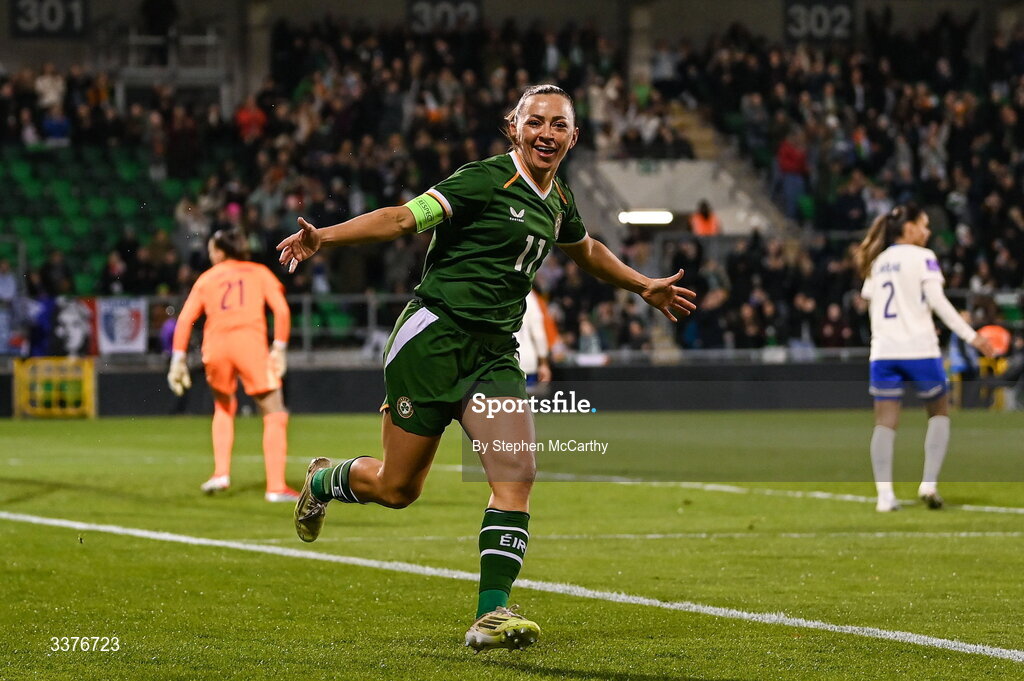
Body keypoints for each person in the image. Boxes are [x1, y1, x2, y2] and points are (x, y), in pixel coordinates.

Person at [277, 84, 696, 652]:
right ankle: (325, 478)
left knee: (516, 474)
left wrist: (643, 284)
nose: (546, 133)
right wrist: (324, 236)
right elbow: (404, 219)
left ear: (574, 137)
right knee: (399, 489)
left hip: (495, 353)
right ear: (514, 127)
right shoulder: (481, 179)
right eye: (536, 122)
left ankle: (491, 613)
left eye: (559, 125)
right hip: (432, 341)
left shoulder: (559, 200)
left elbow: (587, 248)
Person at [855, 205, 994, 512]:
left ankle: (884, 496)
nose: (928, 232)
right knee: (939, 412)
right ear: (909, 228)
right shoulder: (924, 258)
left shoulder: (878, 260)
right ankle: (928, 484)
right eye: (924, 225)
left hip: (884, 351)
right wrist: (972, 336)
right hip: (919, 349)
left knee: (885, 423)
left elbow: (868, 301)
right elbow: (938, 302)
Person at [167, 229, 298, 503]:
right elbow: (282, 310)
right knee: (274, 411)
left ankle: (221, 473)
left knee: (223, 407)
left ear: (219, 251)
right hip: (249, 343)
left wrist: (177, 358)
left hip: (215, 346)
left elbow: (185, 319)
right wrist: (280, 347)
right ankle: (275, 486)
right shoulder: (258, 272)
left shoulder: (207, 278)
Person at [514, 287, 551, 391]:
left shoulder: (493, 290)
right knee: (527, 404)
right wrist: (543, 363)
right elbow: (538, 333)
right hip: (526, 361)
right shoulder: (528, 295)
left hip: (500, 362)